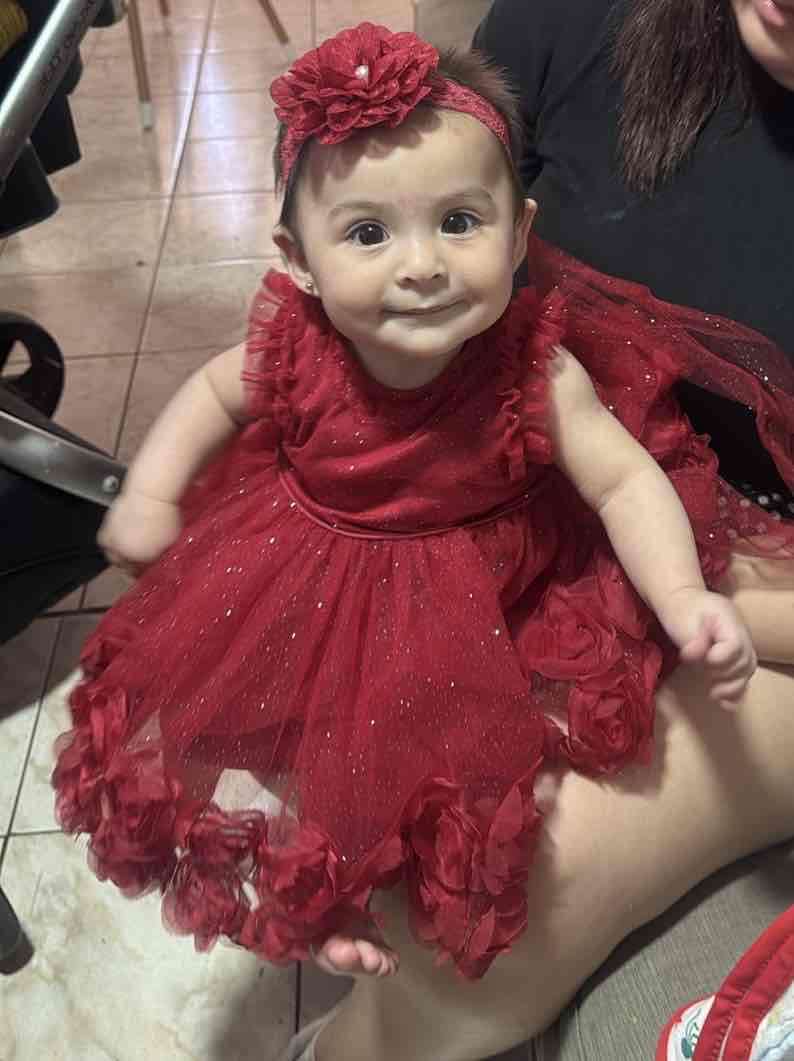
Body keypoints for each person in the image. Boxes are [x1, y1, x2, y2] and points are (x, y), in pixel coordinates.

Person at [49, 22, 794, 1061]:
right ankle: (327, 904)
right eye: (367, 234)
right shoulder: (295, 343)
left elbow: (623, 477)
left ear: (518, 231)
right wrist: (151, 491)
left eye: (458, 222)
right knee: (302, 753)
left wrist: (680, 598)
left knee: (457, 800)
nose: (422, 267)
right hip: (328, 583)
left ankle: (375, 943)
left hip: (497, 599)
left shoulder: (535, 370)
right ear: (297, 262)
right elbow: (218, 392)